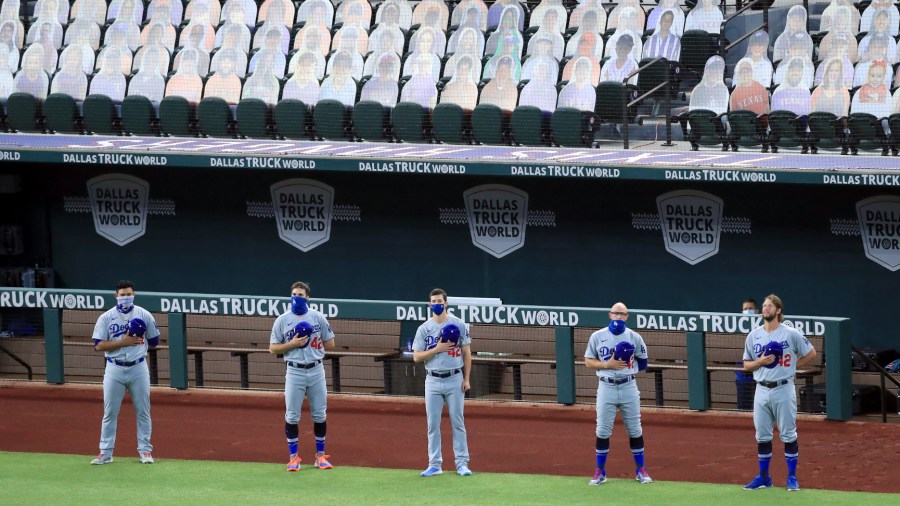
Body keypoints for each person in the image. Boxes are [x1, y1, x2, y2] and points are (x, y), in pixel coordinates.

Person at [742, 294, 816, 492]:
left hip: (783, 389)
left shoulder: (790, 333)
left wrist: (793, 366)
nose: (765, 308)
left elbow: (811, 352)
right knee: (762, 436)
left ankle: (791, 477)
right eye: (764, 306)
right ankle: (764, 477)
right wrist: (760, 362)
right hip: (761, 389)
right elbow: (746, 365)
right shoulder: (753, 335)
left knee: (788, 434)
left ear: (778, 310)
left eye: (769, 306)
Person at [90, 280, 161, 465]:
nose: (126, 297)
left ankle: (145, 451)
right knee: (110, 412)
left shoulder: (144, 314)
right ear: (116, 296)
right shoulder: (106, 317)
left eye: (129, 294)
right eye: (122, 294)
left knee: (143, 411)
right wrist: (123, 342)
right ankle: (105, 453)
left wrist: (141, 336)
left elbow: (155, 341)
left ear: (134, 295)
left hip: (138, 367)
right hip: (114, 367)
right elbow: (98, 345)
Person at [268, 281, 336, 472]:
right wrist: (293, 343)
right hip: (294, 371)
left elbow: (331, 344)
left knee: (320, 414)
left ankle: (320, 457)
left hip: (316, 370)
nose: (297, 297)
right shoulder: (282, 320)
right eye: (294, 294)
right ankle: (293, 458)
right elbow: (273, 348)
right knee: (291, 416)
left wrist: (313, 341)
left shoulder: (318, 317)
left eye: (300, 294)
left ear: (307, 297)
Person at [584, 302, 652, 486]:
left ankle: (641, 470)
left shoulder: (634, 337)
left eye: (622, 314)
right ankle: (600, 471)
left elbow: (644, 363)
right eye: (616, 313)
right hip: (606, 386)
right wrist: (607, 365)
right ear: (610, 315)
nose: (619, 317)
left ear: (627, 316)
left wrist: (629, 364)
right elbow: (588, 361)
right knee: (603, 430)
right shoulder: (597, 336)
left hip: (628, 386)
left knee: (635, 429)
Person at [413, 288, 472, 478]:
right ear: (429, 304)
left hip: (455, 378)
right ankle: (434, 464)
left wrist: (467, 379)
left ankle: (462, 463)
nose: (437, 304)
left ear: (446, 303)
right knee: (433, 424)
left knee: (457, 421)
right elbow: (416, 357)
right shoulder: (424, 329)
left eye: (439, 301)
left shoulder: (459, 324)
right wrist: (437, 349)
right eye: (433, 301)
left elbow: (467, 352)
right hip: (432, 379)